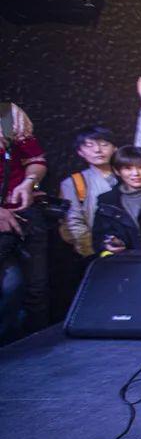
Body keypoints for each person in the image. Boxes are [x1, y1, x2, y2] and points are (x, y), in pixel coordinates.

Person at [0, 104, 47, 342]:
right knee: (11, 285)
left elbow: (36, 160)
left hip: (25, 213)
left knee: (36, 288)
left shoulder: (8, 114)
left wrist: (30, 183)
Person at [59, 126, 117, 257]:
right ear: (80, 152)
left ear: (115, 148)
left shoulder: (129, 176)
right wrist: (93, 251)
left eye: (104, 144)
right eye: (89, 145)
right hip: (97, 251)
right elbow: (74, 222)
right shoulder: (73, 182)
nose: (97, 150)